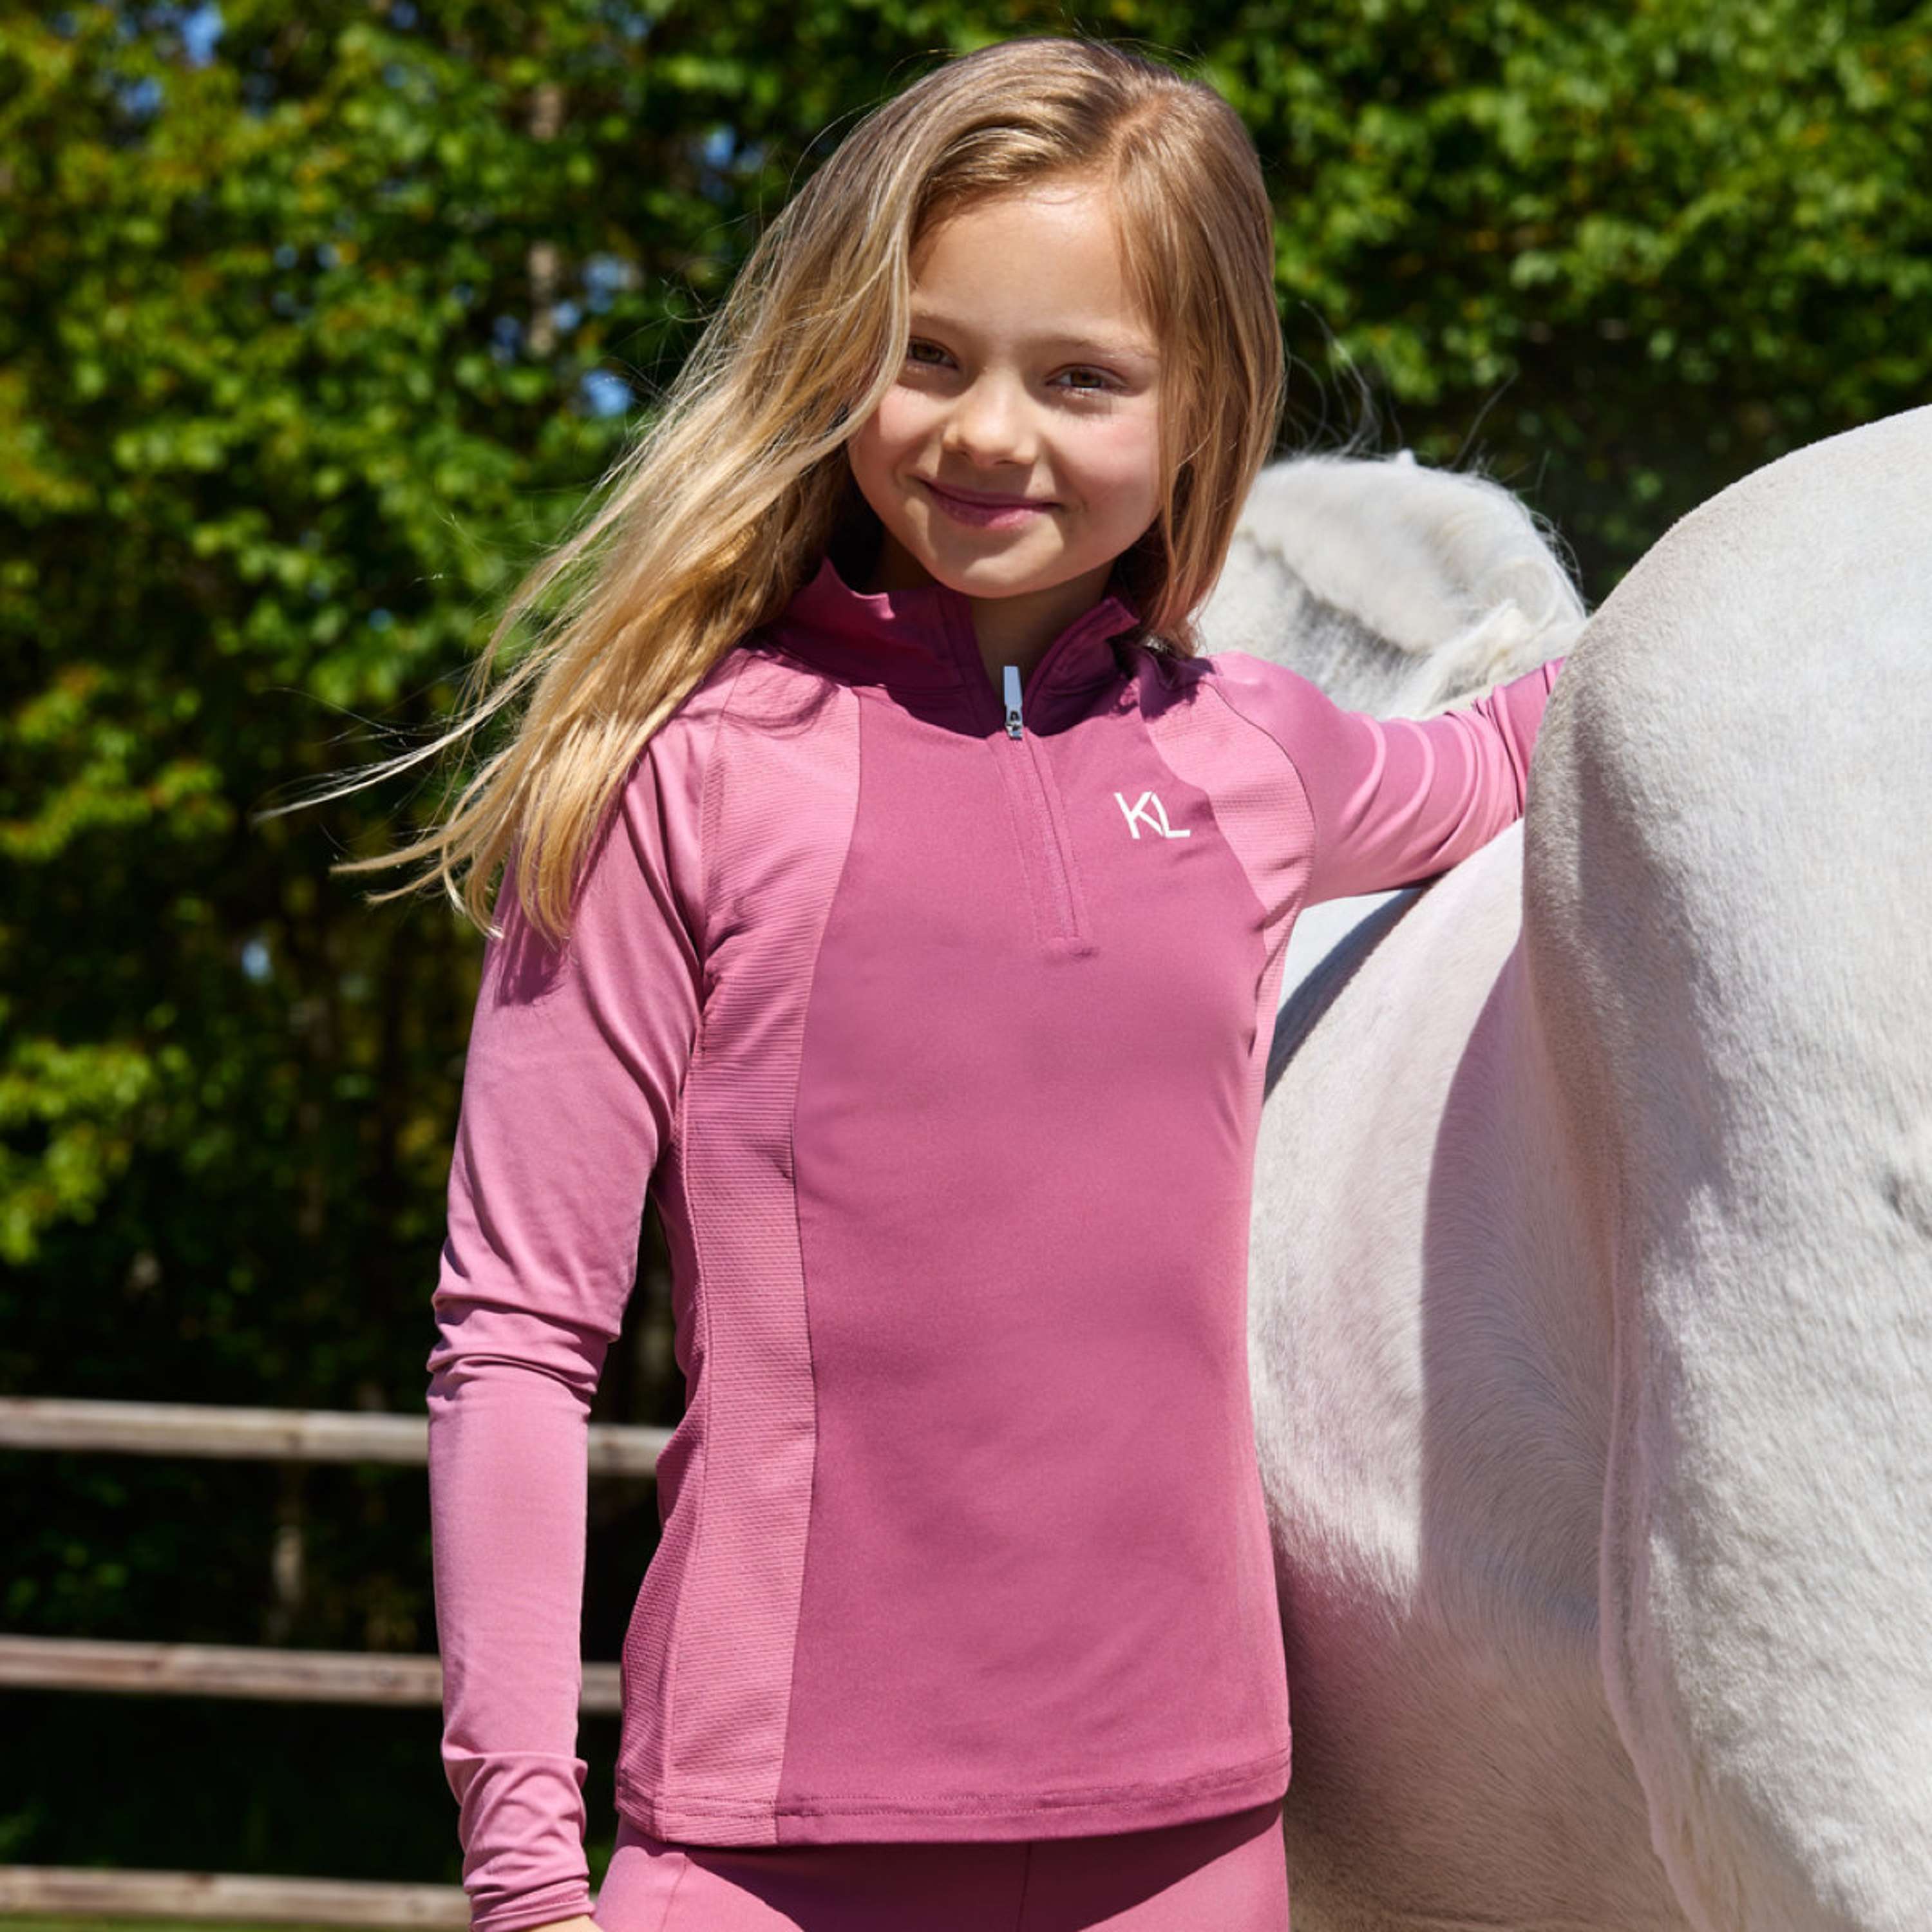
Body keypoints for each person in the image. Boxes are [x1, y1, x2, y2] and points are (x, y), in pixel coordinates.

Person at [387, 34, 1566, 1932]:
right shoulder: (680, 777)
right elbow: (515, 1333)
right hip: (760, 1849)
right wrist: (526, 1870)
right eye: (928, 354)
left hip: (1190, 1842)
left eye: (1080, 377)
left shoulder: (1254, 756)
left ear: (1202, 410)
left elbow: (1524, 743)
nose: (990, 432)